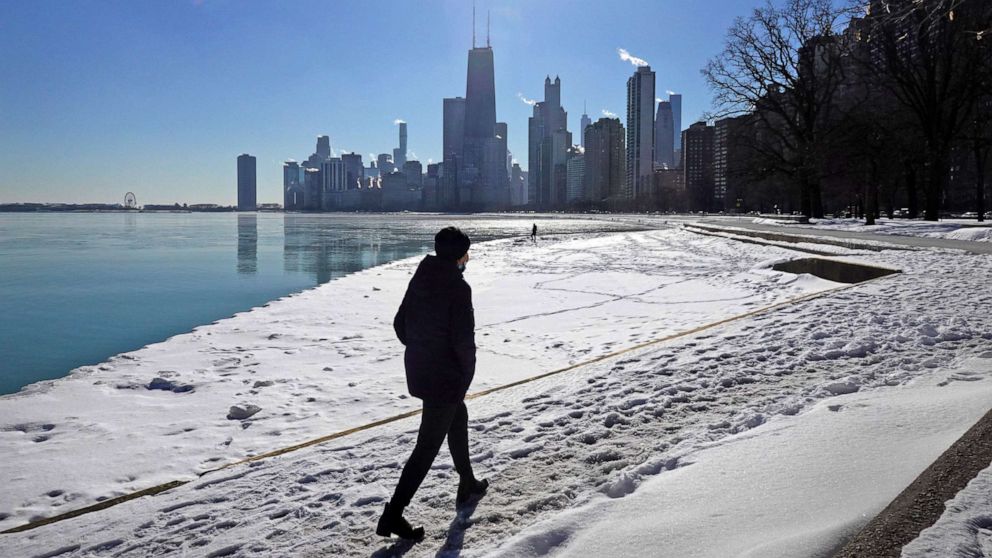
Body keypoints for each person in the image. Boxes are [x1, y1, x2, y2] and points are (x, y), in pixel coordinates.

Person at [376, 226, 489, 541]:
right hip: (446, 378)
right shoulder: (457, 287)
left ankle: (467, 481)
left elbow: (400, 324)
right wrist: (463, 375)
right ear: (459, 255)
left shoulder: (422, 276)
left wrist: (422, 350)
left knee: (459, 417)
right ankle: (393, 515)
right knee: (426, 447)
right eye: (467, 254)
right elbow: (463, 342)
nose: (468, 259)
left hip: (424, 371)